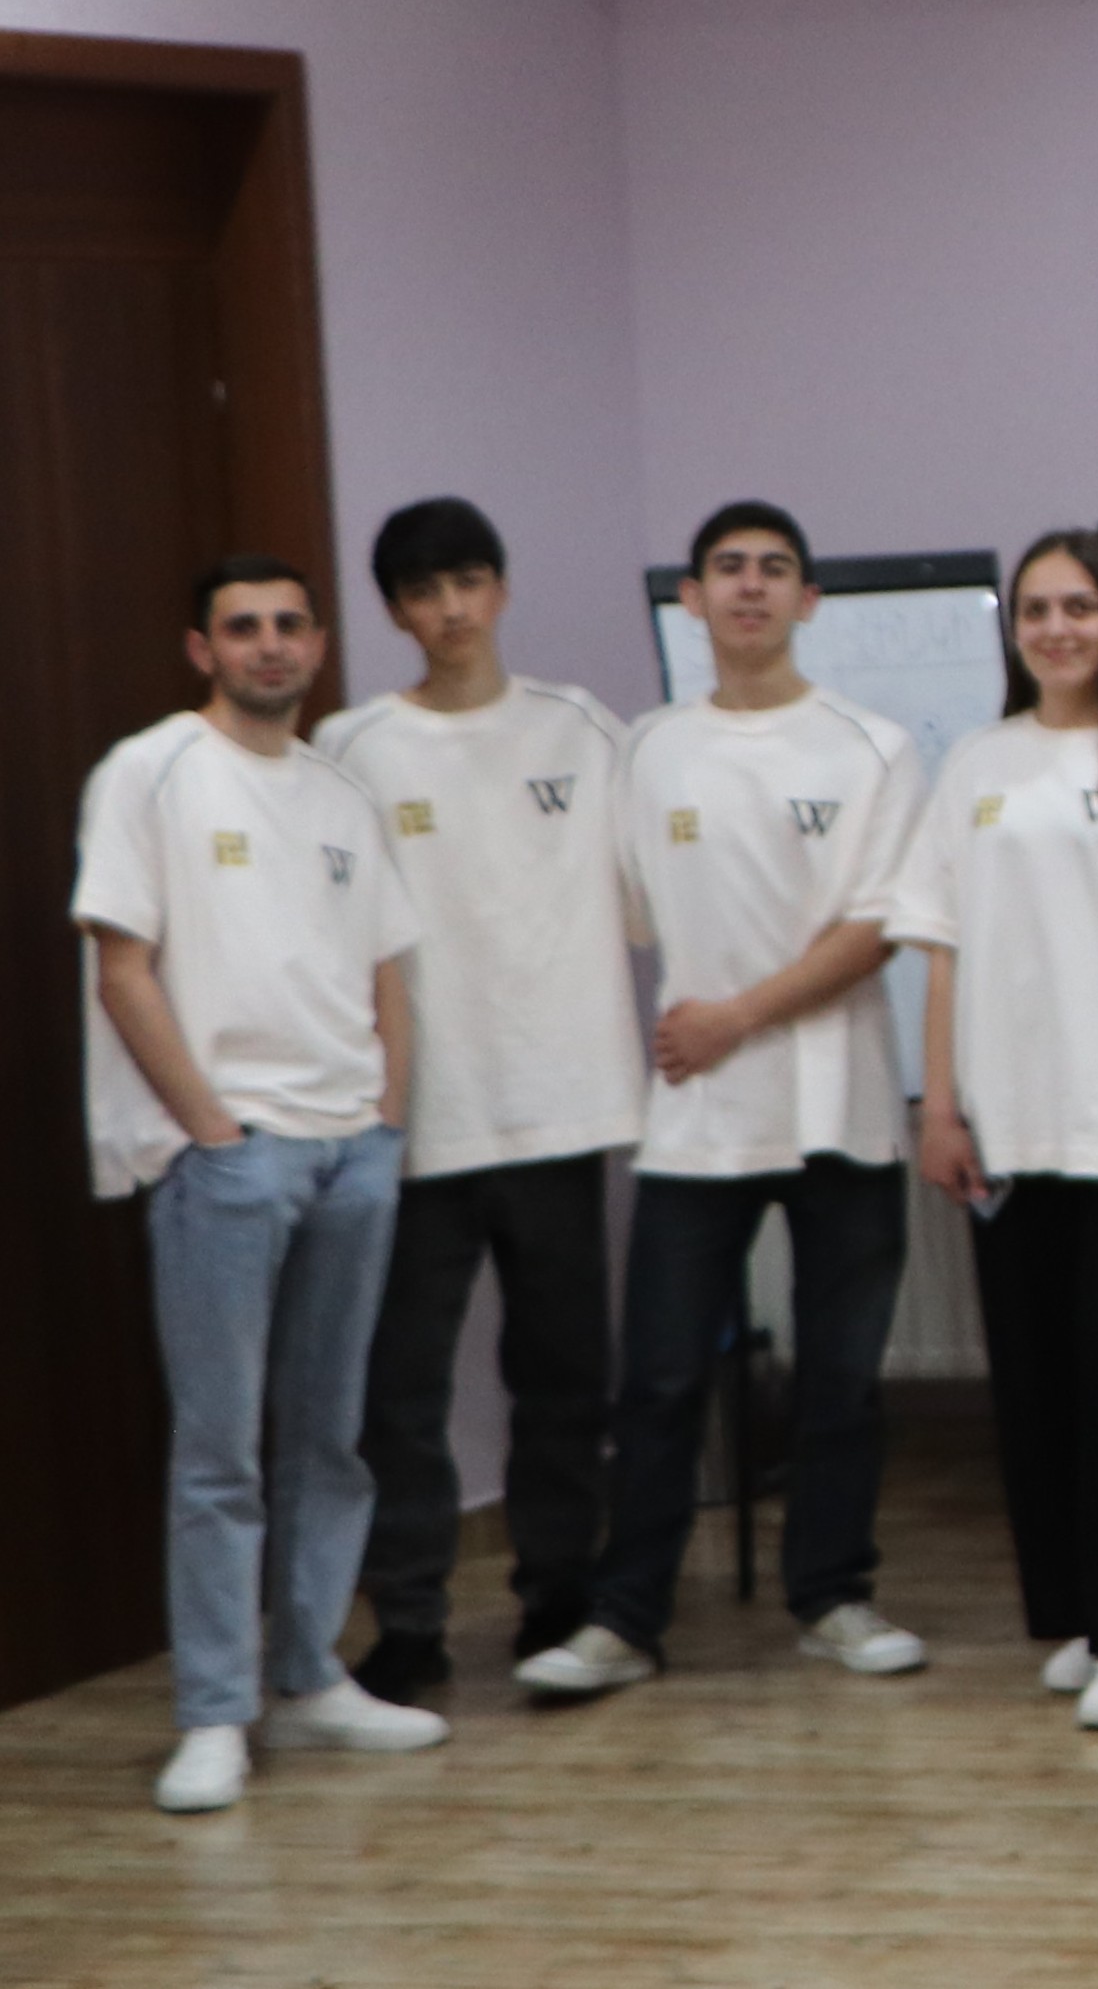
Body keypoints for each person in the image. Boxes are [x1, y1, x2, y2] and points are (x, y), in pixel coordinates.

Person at [530, 502, 932, 1701]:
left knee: (840, 1378)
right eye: (728, 568)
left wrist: (736, 1015)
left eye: (774, 568)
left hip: (839, 1108)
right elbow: (623, 914)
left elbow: (875, 928)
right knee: (660, 1377)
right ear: (693, 598)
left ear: (809, 599)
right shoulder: (648, 748)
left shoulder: (873, 746)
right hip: (696, 1118)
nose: (750, 586)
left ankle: (834, 1596)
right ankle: (624, 1617)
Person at [81, 555, 448, 1812]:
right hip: (231, 1157)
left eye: (291, 623)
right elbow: (121, 964)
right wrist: (212, 1126)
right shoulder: (151, 770)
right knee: (220, 1449)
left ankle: (308, 1670)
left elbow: (388, 966)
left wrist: (385, 1119)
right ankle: (212, 1709)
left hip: (353, 1148)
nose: (271, 644)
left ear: (319, 642)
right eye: (243, 627)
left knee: (330, 1436)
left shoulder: (341, 791)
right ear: (203, 648)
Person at [894, 531, 1098, 1733]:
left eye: (1078, 605)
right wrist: (940, 1105)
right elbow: (940, 947)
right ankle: (1086, 1614)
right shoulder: (976, 762)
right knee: (1037, 1389)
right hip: (1009, 1129)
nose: (1056, 627)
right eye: (1035, 608)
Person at [321, 497, 633, 1712]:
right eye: (423, 591)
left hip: (561, 1101)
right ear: (395, 610)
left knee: (564, 1376)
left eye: (467, 582)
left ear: (499, 587)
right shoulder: (353, 746)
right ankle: (409, 1619)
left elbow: (656, 887)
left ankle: (559, 1590)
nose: (450, 609)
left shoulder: (583, 728)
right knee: (400, 1389)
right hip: (415, 1117)